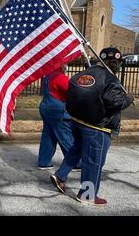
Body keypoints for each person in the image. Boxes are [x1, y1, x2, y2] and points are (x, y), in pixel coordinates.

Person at [50, 48, 134, 206]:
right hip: (98, 127)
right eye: (117, 63)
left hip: (78, 121)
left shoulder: (84, 73)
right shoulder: (111, 79)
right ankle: (87, 195)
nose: (118, 66)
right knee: (93, 161)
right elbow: (115, 103)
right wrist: (128, 98)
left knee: (77, 150)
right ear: (115, 63)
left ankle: (60, 176)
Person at [38, 65, 80, 170]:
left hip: (46, 107)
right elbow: (72, 92)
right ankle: (75, 163)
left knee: (48, 136)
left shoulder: (47, 76)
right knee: (66, 135)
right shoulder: (60, 77)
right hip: (58, 109)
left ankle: (44, 161)